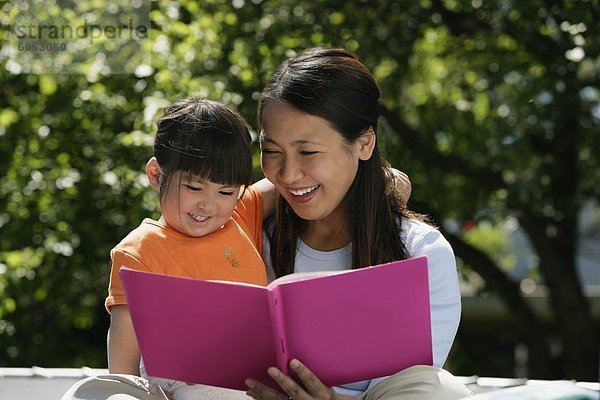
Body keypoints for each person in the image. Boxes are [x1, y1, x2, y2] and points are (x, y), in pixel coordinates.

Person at [243, 48, 471, 400]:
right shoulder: (251, 240)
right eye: (271, 150)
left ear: (364, 143)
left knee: (441, 391)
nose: (287, 174)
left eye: (308, 152)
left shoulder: (421, 253)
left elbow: (414, 385)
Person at [63, 98, 275, 400]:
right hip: (182, 385)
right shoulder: (139, 250)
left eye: (225, 191)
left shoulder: (239, 214)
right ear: (156, 175)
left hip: (253, 383)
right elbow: (124, 347)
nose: (209, 204)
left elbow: (286, 183)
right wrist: (128, 391)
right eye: (194, 187)